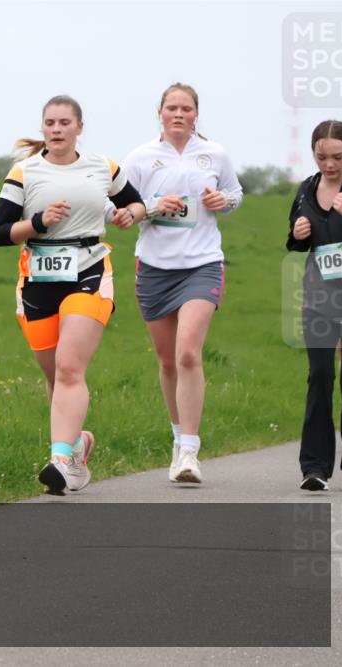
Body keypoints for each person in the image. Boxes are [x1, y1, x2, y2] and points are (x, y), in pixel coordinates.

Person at [0, 95, 144, 495]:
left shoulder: (103, 166)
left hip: (89, 268)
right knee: (55, 375)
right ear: (42, 128)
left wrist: (130, 215)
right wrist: (39, 221)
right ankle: (77, 445)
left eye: (64, 122)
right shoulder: (25, 171)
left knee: (69, 367)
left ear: (79, 127)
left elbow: (135, 204)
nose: (56, 129)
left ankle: (60, 461)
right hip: (38, 278)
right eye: (50, 123)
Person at [121, 83, 243, 484]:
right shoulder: (140, 158)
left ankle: (190, 450)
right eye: (171, 107)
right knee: (168, 361)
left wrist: (222, 201)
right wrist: (153, 207)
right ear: (160, 113)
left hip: (202, 264)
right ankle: (177, 439)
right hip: (155, 267)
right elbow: (118, 208)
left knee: (188, 352)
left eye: (186, 108)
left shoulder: (215, 154)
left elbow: (235, 194)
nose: (178, 114)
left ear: (196, 115)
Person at [286, 119, 342, 491]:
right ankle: (314, 467)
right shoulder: (306, 190)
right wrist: (297, 234)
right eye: (321, 156)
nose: (329, 164)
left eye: (337, 157)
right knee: (321, 376)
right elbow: (295, 241)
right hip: (319, 298)